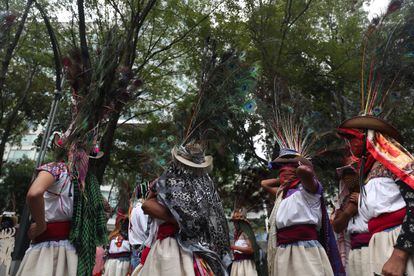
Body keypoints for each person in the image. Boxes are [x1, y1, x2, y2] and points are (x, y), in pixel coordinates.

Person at [262, 115, 344, 276]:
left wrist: (299, 162)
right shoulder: (282, 194)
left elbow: (305, 172)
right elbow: (264, 183)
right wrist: (283, 179)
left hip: (305, 250)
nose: (284, 170)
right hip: (283, 252)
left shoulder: (309, 191)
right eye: (281, 168)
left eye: (289, 167)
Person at [16, 132, 107, 276]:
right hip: (75, 252)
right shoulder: (88, 183)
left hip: (51, 249)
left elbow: (34, 193)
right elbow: (103, 208)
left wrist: (41, 225)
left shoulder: (57, 169)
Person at [134, 142, 230, 276]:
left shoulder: (202, 189)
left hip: (190, 248)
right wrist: (180, 220)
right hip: (170, 246)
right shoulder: (169, 183)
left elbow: (208, 222)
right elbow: (147, 206)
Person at [338, 116, 414, 276]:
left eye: (353, 138)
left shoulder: (398, 162)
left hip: (398, 243)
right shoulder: (368, 173)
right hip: (377, 243)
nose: (349, 144)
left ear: (370, 137)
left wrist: (399, 254)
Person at [331, 164, 369, 275]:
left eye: (350, 174)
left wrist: (363, 201)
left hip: (372, 245)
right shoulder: (343, 201)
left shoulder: (371, 192)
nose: (347, 178)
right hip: (353, 249)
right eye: (344, 175)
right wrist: (349, 211)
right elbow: (337, 226)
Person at [230, 208, 266, 276]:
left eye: (236, 222)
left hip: (246, 265)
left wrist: (233, 247)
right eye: (234, 222)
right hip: (238, 264)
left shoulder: (245, 233)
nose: (234, 224)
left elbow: (251, 249)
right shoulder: (237, 234)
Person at [103, 209, 131, 276]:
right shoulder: (111, 236)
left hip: (121, 263)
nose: (124, 225)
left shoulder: (130, 236)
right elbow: (106, 251)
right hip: (114, 263)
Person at [129, 183, 149, 271]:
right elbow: (147, 230)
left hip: (136, 250)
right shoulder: (142, 209)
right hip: (142, 251)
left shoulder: (135, 208)